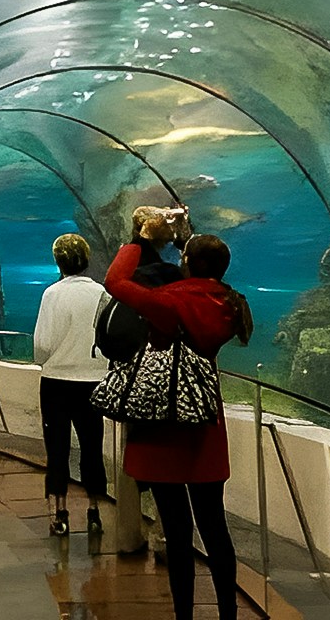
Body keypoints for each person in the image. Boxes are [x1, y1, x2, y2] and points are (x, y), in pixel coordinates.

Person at [104, 215, 253, 620]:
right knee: (215, 527)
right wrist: (188, 240)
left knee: (177, 531)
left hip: (163, 428)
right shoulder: (229, 302)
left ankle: (185, 615)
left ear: (188, 263)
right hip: (205, 425)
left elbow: (116, 282)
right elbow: (202, 271)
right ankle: (227, 614)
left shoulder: (171, 302)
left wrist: (140, 238)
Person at [32, 232, 110, 537]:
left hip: (57, 382)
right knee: (92, 446)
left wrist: (46, 361)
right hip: (94, 380)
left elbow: (43, 343)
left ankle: (60, 513)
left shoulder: (52, 294)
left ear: (58, 261)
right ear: (87, 260)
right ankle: (94, 512)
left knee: (58, 447)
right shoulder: (101, 293)